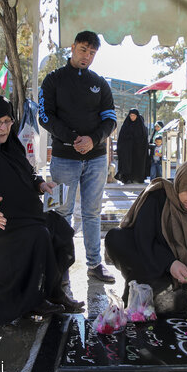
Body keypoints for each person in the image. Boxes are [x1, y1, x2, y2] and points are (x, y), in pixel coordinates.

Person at [0, 94, 85, 326]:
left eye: (8, 122)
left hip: (17, 216)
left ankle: (53, 292)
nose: (3, 129)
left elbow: (26, 174)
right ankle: (29, 303)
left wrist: (41, 185)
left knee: (59, 228)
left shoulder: (11, 146)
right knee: (37, 236)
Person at [39, 30, 117, 283]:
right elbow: (45, 115)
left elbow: (110, 119)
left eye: (92, 52)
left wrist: (93, 139)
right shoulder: (53, 80)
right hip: (63, 159)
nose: (87, 56)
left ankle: (94, 265)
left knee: (92, 213)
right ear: (72, 48)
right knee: (59, 211)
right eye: (84, 50)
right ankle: (59, 265)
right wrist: (73, 138)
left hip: (96, 159)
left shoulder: (100, 83)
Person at [105, 159, 187, 313]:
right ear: (180, 183)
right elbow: (142, 238)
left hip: (184, 278)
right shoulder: (158, 195)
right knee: (116, 238)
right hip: (154, 263)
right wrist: (170, 263)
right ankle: (139, 288)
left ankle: (153, 291)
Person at [115, 108, 148, 184]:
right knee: (127, 164)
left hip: (138, 150)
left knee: (137, 164)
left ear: (137, 116)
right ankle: (127, 178)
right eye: (131, 115)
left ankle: (137, 178)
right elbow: (121, 138)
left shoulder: (141, 126)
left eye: (134, 115)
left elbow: (144, 139)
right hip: (127, 150)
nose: (132, 117)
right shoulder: (126, 125)